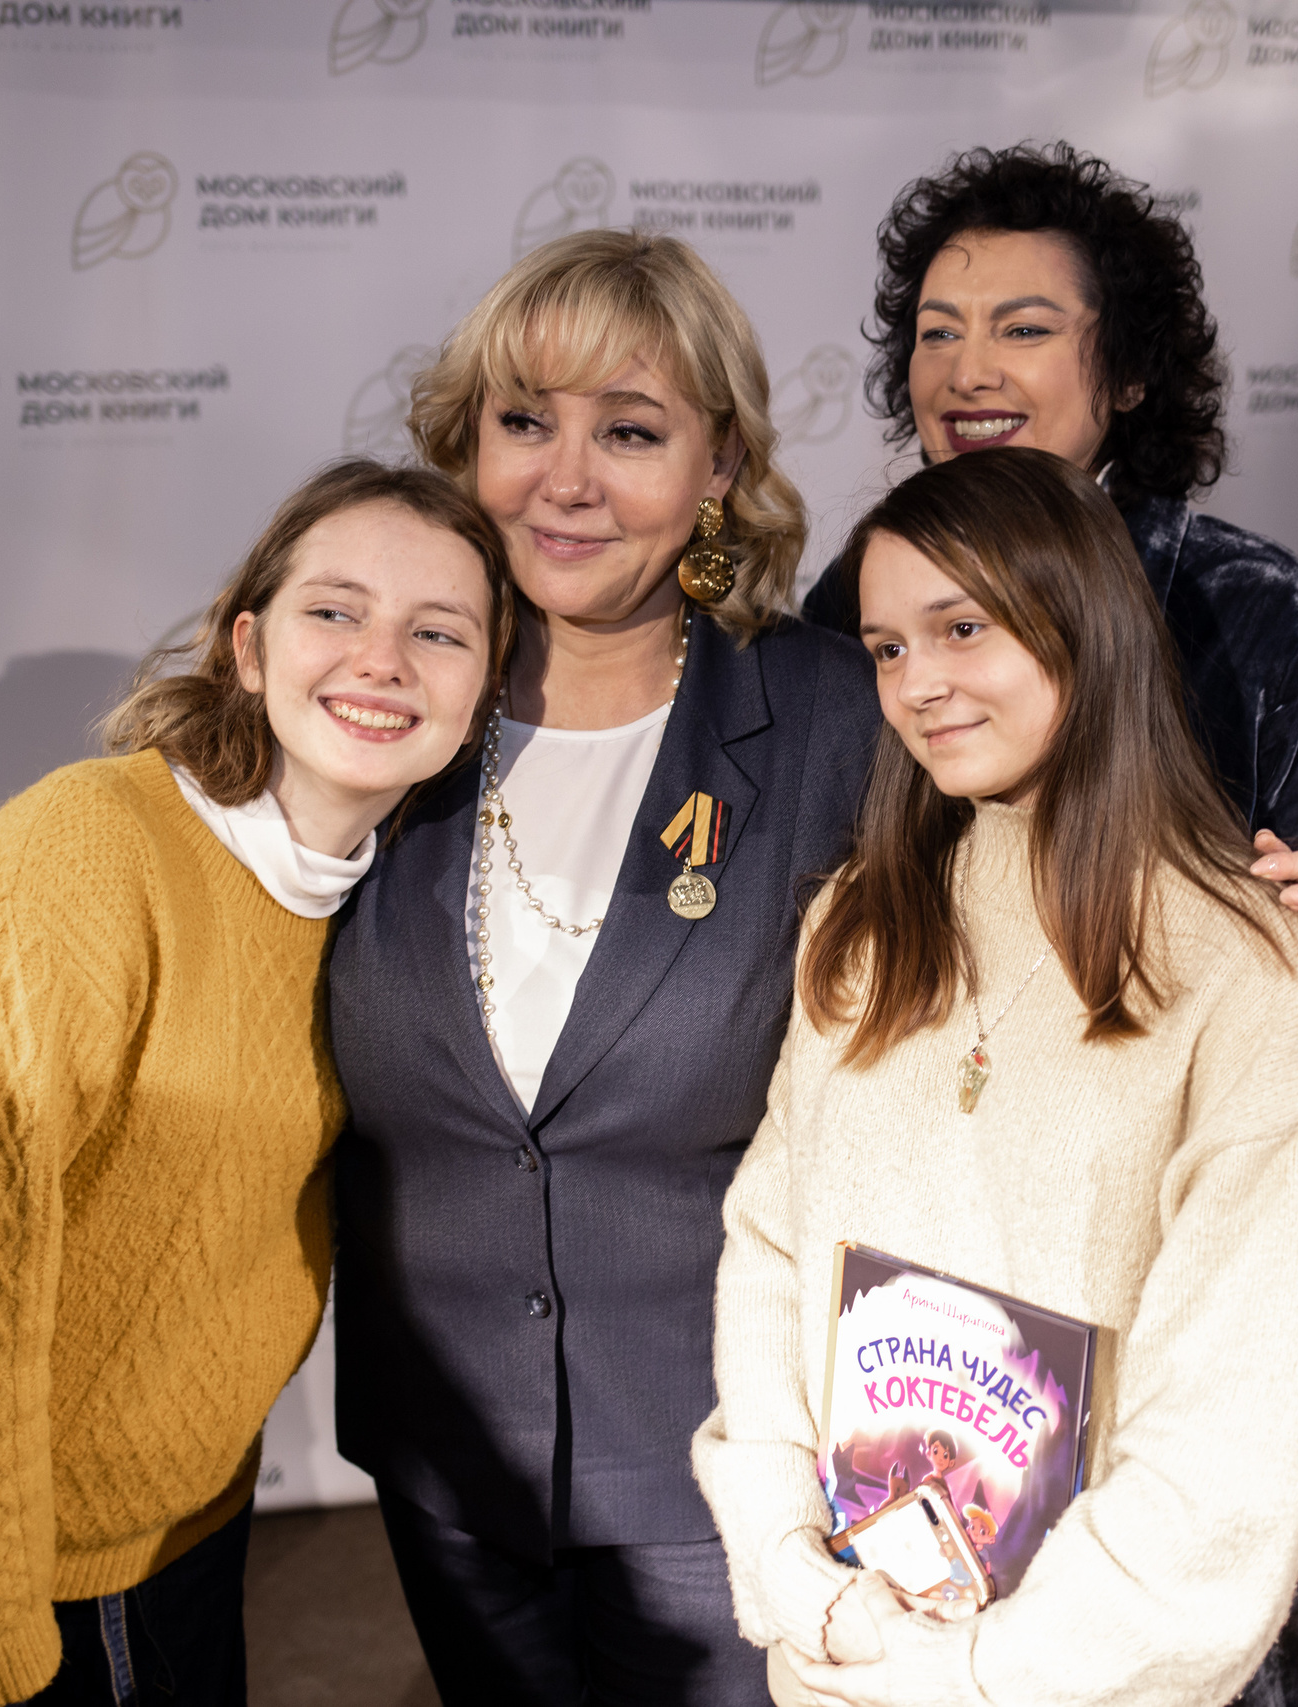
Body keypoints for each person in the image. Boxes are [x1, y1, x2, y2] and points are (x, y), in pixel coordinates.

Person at [0, 459, 512, 1707]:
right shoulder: (90, 854)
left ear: (482, 693)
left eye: (438, 633)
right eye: (336, 611)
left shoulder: (378, 905)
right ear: (247, 649)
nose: (383, 659)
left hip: (172, 1535)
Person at [800, 144, 1298, 1701]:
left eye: (1020, 325)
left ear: (1124, 369)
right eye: (936, 329)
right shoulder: (842, 612)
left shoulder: (1249, 611)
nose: (966, 366)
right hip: (938, 1284)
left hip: (1183, 1243)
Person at [695, 446, 1298, 1707]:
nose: (918, 685)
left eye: (962, 628)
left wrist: (992, 1675)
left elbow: (1236, 1418)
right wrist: (801, 1576)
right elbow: (769, 1253)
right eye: (888, 648)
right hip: (845, 1653)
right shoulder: (858, 922)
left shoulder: (1251, 968)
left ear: (1086, 627)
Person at [325, 230, 880, 1706]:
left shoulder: (835, 720)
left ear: (717, 468)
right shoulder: (378, 698)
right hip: (443, 1452)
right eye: (525, 422)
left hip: (729, 1465)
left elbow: (1019, 982)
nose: (564, 479)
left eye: (629, 433)